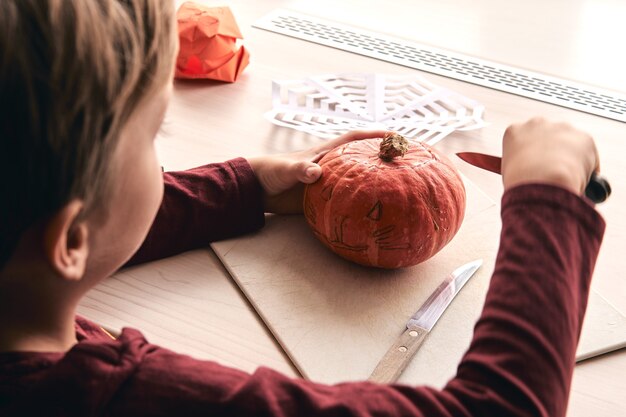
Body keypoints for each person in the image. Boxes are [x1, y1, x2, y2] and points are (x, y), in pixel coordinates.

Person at [0, 1, 605, 416]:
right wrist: (548, 203)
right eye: (156, 135)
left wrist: (243, 189)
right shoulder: (121, 397)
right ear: (72, 236)